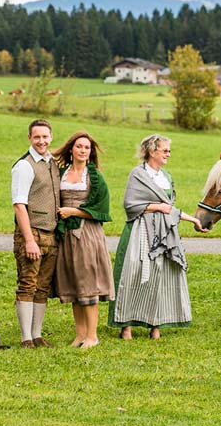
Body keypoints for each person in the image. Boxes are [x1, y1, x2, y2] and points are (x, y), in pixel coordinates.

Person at [109, 134, 203, 340]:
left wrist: (193, 220)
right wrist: (157, 207)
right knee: (133, 274)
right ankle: (126, 326)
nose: (168, 154)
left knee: (160, 276)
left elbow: (170, 208)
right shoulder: (138, 174)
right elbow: (130, 204)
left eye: (169, 150)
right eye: (165, 150)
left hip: (163, 233)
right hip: (140, 231)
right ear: (152, 151)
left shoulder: (166, 176)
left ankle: (156, 324)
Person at [52, 131, 114, 349]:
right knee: (73, 282)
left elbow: (101, 209)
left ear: (90, 152)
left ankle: (92, 336)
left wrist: (74, 212)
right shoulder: (61, 173)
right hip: (66, 236)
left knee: (88, 282)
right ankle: (79, 335)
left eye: (87, 148)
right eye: (79, 146)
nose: (83, 150)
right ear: (71, 149)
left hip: (87, 234)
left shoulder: (94, 177)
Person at [10, 119, 60, 348]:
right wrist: (29, 240)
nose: (42, 141)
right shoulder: (24, 165)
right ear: (30, 138)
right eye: (37, 137)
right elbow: (19, 205)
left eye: (45, 137)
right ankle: (25, 337)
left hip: (51, 233)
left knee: (42, 286)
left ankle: (37, 334)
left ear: (51, 137)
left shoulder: (53, 163)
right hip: (32, 234)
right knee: (27, 284)